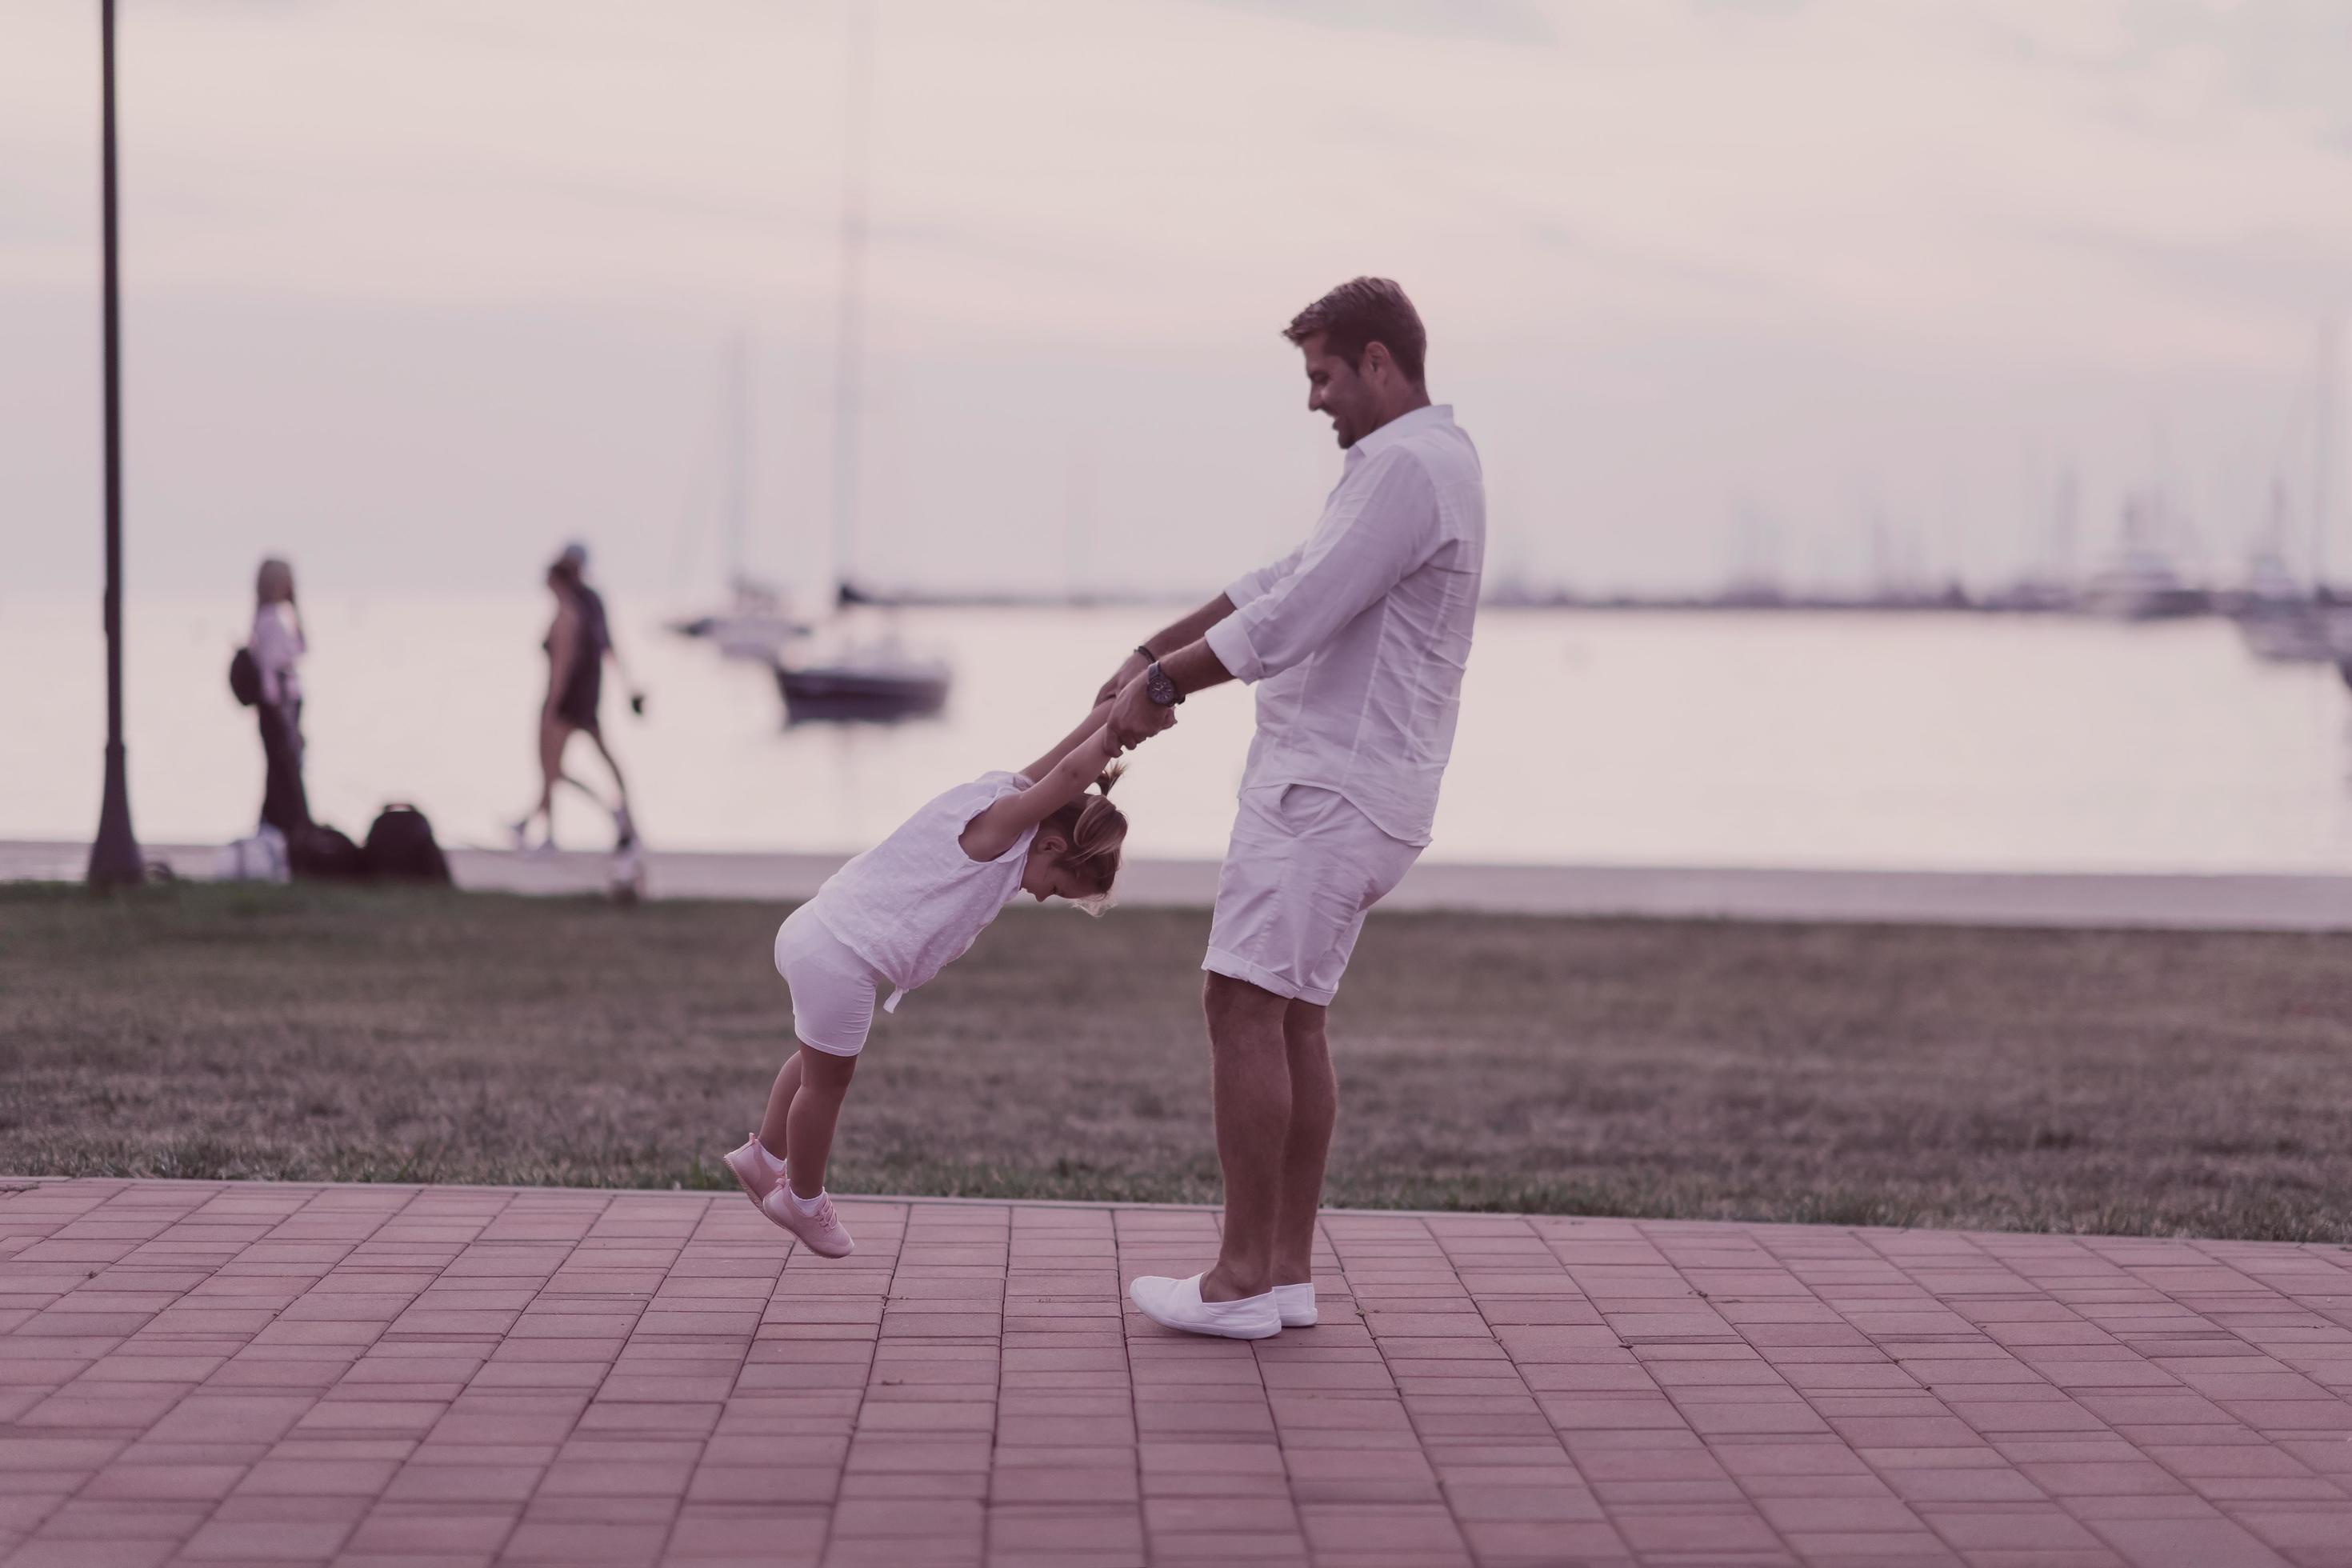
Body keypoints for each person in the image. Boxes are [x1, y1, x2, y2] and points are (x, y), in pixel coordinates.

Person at [1102, 278, 1486, 1338]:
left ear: (1378, 363)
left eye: (1323, 377)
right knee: (1291, 1015)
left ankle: (1235, 1283)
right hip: (1364, 790)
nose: (1314, 400)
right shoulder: (1420, 468)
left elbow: (1299, 616)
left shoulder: (1408, 466)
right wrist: (1150, 653)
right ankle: (1282, 1275)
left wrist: (1167, 687)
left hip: (1330, 789)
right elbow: (1282, 577)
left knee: (1240, 1005)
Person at [719, 697, 1169, 1258]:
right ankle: (801, 1200)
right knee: (827, 1084)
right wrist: (1113, 736)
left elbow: (1060, 761)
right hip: (843, 956)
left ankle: (763, 1157)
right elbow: (1072, 771)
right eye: (1054, 887)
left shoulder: (1002, 791)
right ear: (1054, 846)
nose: (1038, 894)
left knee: (817, 1063)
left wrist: (1111, 710)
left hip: (816, 929)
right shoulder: (1004, 828)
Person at [513, 542, 645, 853]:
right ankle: (620, 819)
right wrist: (628, 686)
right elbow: (610, 647)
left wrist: (552, 704)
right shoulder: (591, 603)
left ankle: (555, 829)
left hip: (568, 698)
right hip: (589, 696)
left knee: (552, 766)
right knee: (593, 762)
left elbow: (564, 662)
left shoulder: (571, 608)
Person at [249, 557, 311, 838]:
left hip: (283, 704)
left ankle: (273, 830)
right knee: (284, 770)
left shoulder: (274, 617)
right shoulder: (270, 620)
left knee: (281, 771)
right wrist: (282, 715)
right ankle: (288, 829)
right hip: (280, 706)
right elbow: (270, 672)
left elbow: (302, 647)